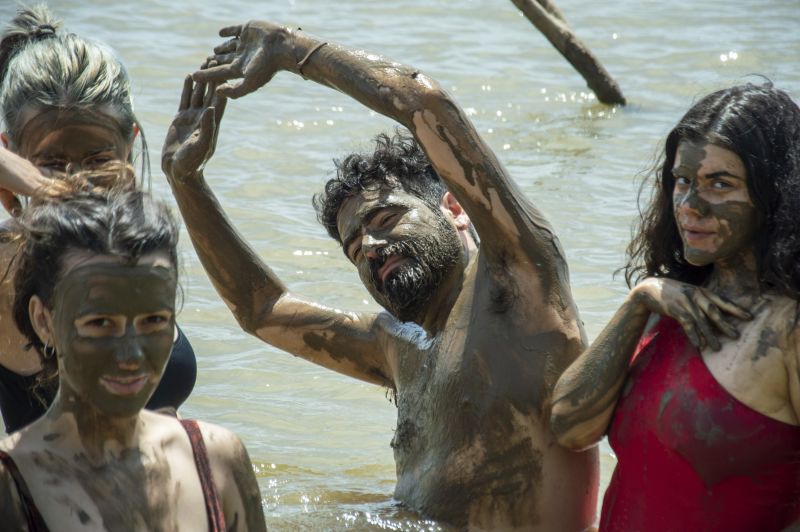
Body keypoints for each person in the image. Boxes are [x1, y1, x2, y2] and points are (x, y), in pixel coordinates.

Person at [163, 21, 599, 530]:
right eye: (353, 248)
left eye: (385, 220)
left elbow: (426, 109)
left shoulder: (519, 279)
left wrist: (295, 50)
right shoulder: (398, 346)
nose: (369, 247)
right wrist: (185, 181)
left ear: (455, 208)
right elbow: (262, 310)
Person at [550, 83, 800, 530]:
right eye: (682, 181)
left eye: (720, 184)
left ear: (775, 196)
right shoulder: (665, 305)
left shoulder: (787, 327)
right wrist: (639, 300)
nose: (689, 205)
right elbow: (570, 428)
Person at [0, 170, 267, 531]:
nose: (131, 356)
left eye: (153, 321)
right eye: (99, 323)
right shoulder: (13, 483)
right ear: (44, 320)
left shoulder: (217, 458)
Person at [0, 4, 197, 434]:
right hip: (43, 499)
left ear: (131, 143)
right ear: (12, 153)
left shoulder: (141, 240)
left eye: (97, 159)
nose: (78, 183)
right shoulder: (4, 265)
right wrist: (33, 184)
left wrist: (189, 182)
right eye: (51, 162)